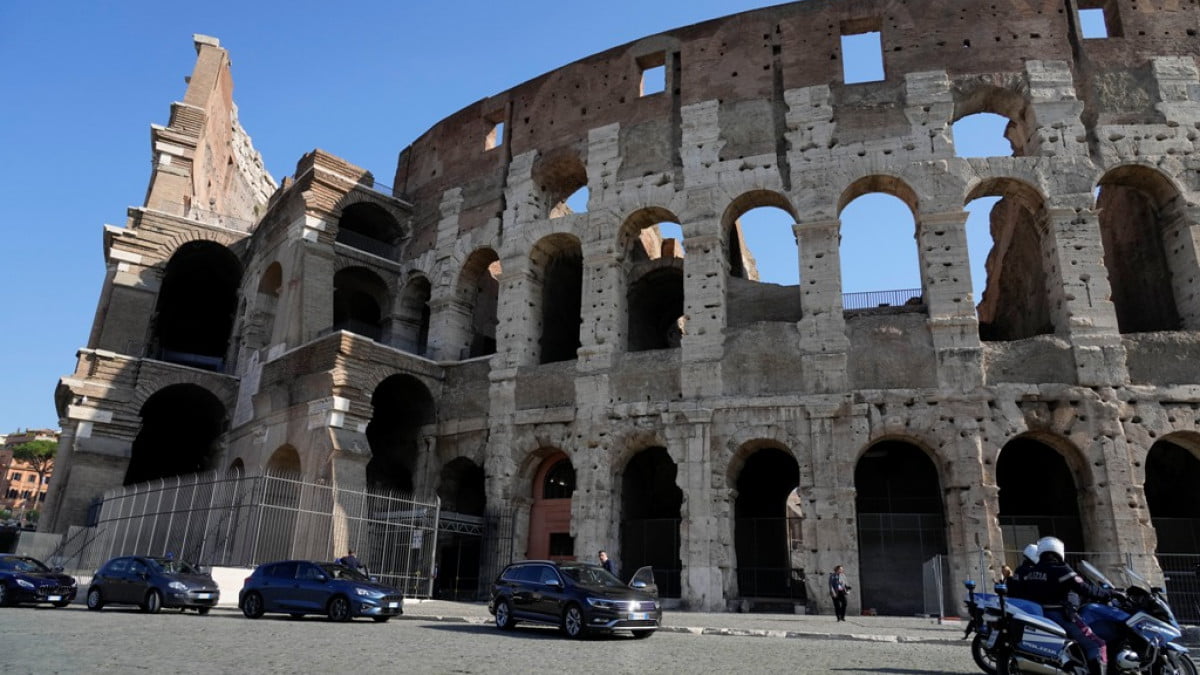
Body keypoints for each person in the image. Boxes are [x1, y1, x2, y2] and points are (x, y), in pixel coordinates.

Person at [1017, 536, 1112, 675]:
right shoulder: (1061, 569)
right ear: (1058, 551)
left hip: (1039, 614)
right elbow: (1085, 589)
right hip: (1059, 614)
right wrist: (1108, 593)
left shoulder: (1031, 572)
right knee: (1096, 644)